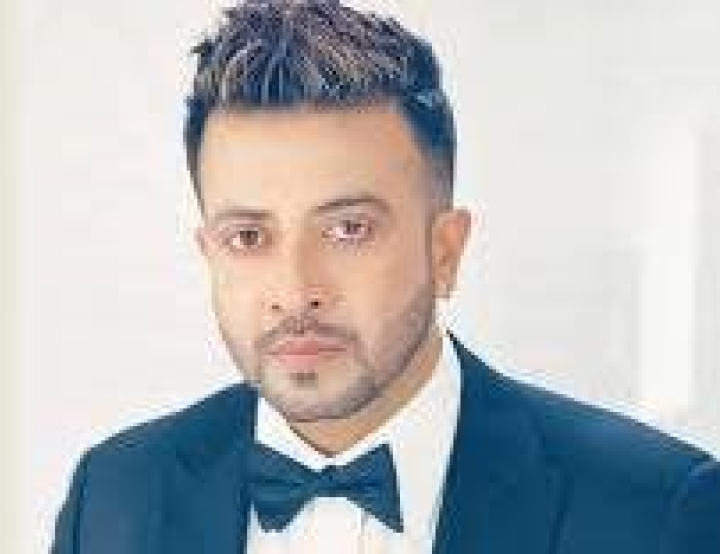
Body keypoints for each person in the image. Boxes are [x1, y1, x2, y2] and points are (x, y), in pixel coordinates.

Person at [51, 1, 720, 552]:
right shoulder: (111, 497)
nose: (296, 290)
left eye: (349, 229)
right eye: (248, 237)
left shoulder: (657, 513)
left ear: (446, 251)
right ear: (209, 254)